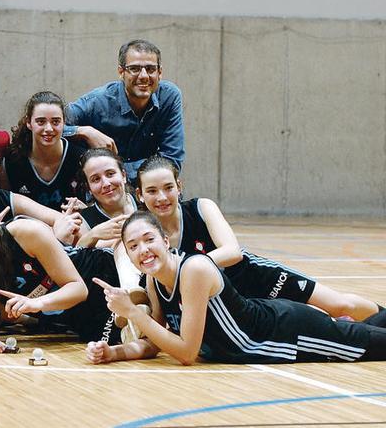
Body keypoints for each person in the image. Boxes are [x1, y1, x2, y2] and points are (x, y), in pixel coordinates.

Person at [87, 211, 386, 365]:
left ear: (165, 241)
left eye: (149, 239)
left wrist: (134, 315)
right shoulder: (155, 280)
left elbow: (186, 353)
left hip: (283, 334)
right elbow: (157, 343)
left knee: (374, 345)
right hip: (267, 332)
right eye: (133, 246)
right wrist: (113, 353)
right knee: (370, 334)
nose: (143, 250)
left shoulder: (193, 270)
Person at [135, 155, 381, 321]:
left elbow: (233, 252)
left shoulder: (201, 208)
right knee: (316, 322)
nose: (162, 197)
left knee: (339, 307)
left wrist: (187, 268)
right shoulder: (142, 233)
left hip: (257, 279)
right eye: (152, 191)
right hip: (230, 304)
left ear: (179, 185)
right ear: (140, 195)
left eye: (168, 187)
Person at [0, 199, 122, 351]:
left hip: (101, 279)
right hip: (71, 316)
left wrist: (36, 303)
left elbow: (78, 289)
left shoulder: (26, 232)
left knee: (126, 341)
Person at [64, 39, 184, 184]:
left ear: (160, 72)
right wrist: (83, 131)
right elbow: (48, 127)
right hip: (105, 188)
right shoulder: (97, 101)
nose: (144, 76)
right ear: (121, 72)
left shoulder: (169, 97)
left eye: (151, 69)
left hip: (150, 187)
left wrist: (117, 171)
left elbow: (172, 161)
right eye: (134, 69)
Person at [5, 91, 87, 211]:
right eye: (41, 121)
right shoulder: (13, 160)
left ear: (64, 122)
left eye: (55, 122)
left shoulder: (80, 158)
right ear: (28, 122)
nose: (48, 129)